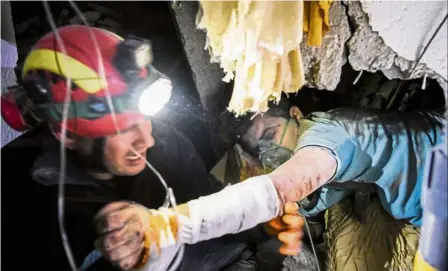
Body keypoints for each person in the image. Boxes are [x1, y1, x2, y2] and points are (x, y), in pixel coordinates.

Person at [0, 25, 301, 271]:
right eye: (125, 129)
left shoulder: (168, 145)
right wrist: (121, 251)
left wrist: (259, 225)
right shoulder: (16, 192)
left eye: (145, 120)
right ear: (68, 133)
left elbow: (209, 205)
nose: (148, 140)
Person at [94, 88, 445, 270]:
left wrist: (165, 226)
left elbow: (285, 185)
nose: (266, 152)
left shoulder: (329, 134)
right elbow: (303, 195)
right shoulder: (315, 145)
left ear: (295, 114)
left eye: (271, 134)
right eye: (256, 148)